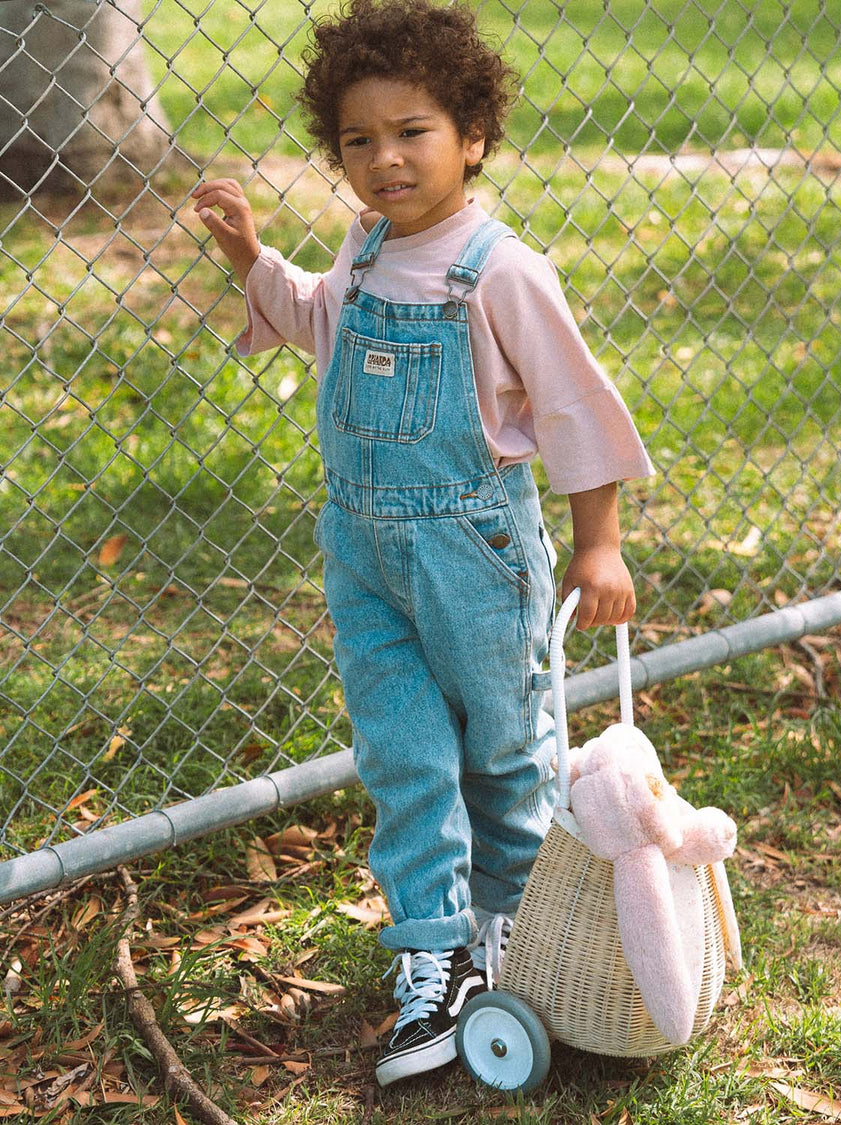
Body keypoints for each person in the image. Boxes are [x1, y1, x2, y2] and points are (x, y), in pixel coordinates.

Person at [191, 0, 653, 1087]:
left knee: (501, 750)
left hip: (474, 556)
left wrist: (600, 546)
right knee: (403, 758)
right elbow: (323, 323)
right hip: (362, 555)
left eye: (413, 132)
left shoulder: (499, 271)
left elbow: (577, 409)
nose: (385, 159)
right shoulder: (361, 247)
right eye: (359, 140)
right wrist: (253, 258)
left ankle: (516, 929)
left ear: (473, 137)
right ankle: (433, 958)